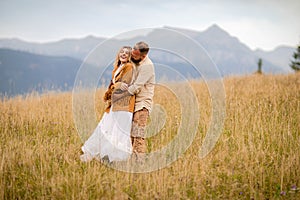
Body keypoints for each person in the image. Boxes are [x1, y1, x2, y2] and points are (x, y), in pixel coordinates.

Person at [80, 46, 136, 163]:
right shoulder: (117, 68)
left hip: (124, 105)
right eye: (122, 52)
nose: (124, 54)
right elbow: (116, 85)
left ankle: (116, 157)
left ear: (130, 56)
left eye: (127, 53)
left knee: (118, 131)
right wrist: (113, 88)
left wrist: (115, 86)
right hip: (115, 104)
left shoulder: (129, 67)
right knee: (107, 127)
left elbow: (125, 84)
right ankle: (106, 154)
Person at [112, 41, 155, 160]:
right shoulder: (134, 60)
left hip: (142, 104)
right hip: (131, 104)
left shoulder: (147, 66)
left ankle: (139, 162)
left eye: (135, 56)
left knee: (138, 135)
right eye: (132, 54)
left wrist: (119, 95)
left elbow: (136, 87)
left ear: (144, 56)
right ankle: (131, 160)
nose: (132, 57)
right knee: (129, 135)